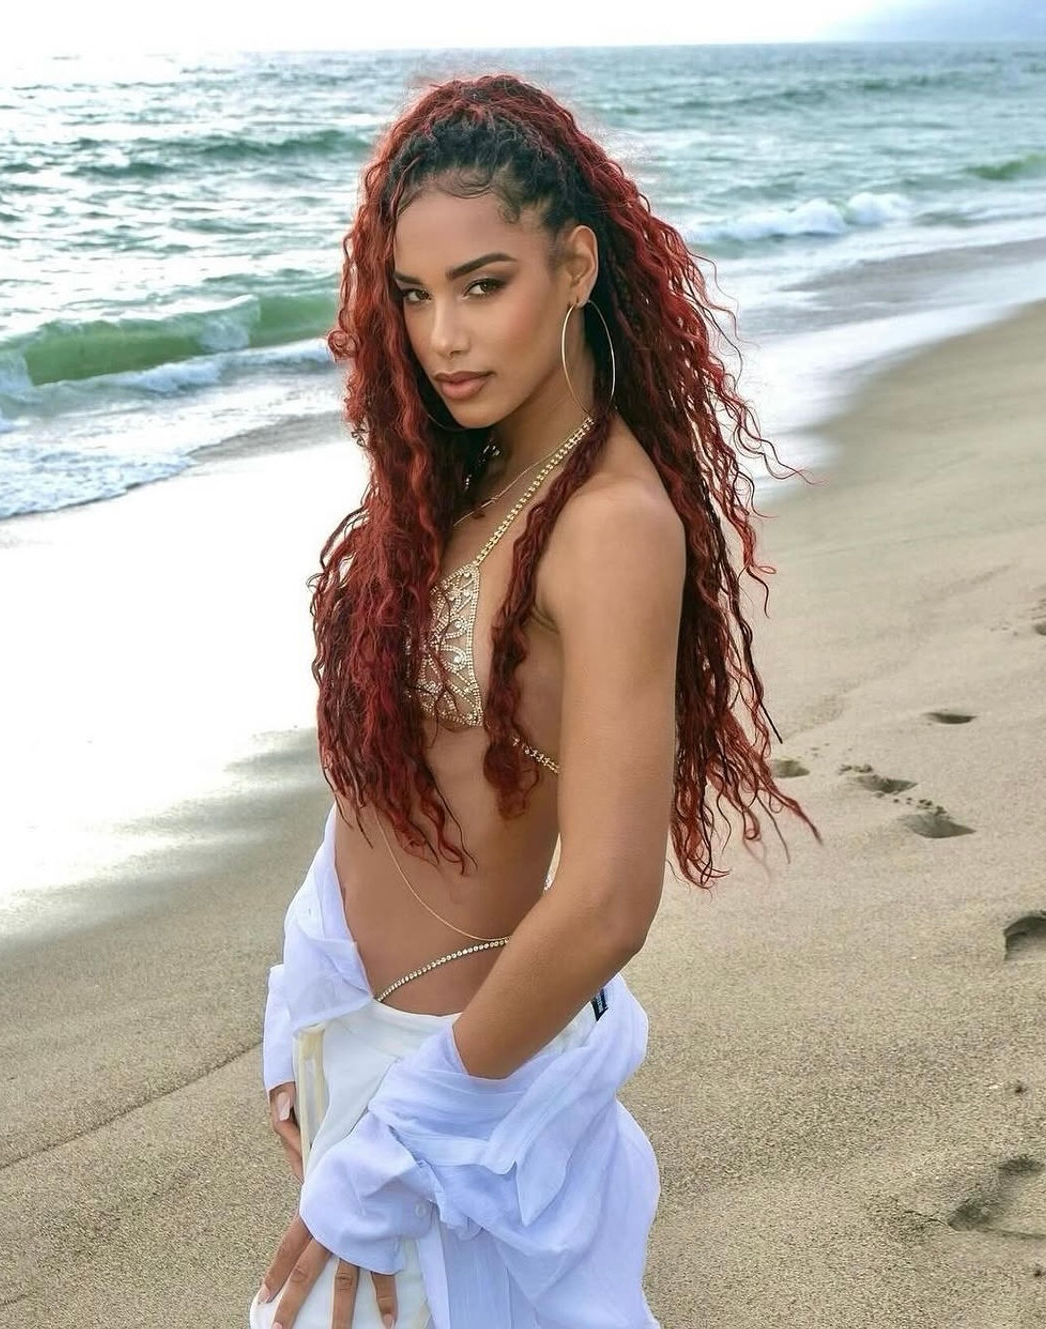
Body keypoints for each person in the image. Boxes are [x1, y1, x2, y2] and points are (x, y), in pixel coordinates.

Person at [251, 71, 821, 1329]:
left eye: (483, 285)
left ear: (574, 267)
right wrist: (305, 985)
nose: (443, 337)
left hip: (468, 1096)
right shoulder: (472, 469)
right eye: (413, 295)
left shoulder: (610, 524)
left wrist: (414, 1129)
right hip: (358, 1040)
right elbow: (385, 766)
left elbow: (611, 898)